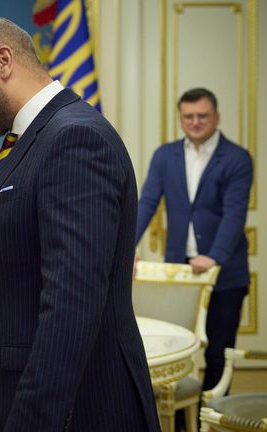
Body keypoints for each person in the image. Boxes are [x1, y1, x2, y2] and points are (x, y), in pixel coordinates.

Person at [0, 17, 160, 431]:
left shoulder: (74, 139)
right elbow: (16, 285)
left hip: (73, 412)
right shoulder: (31, 141)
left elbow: (71, 306)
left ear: (3, 60)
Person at [135, 88, 252, 393]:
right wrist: (126, 247)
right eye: (188, 116)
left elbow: (234, 213)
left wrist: (214, 256)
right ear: (181, 118)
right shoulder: (165, 156)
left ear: (216, 118)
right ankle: (178, 418)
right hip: (179, 271)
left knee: (217, 352)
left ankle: (209, 419)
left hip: (224, 273)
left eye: (202, 116)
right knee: (177, 348)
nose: (195, 122)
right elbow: (147, 203)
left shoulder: (238, 158)